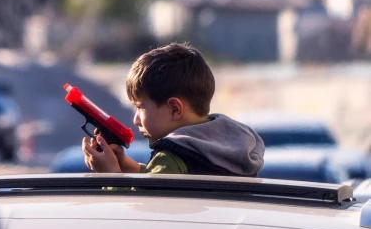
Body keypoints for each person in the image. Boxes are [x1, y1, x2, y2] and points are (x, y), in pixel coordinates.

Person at [82, 42, 264, 175]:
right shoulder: (233, 144)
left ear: (175, 109)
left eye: (140, 108)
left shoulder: (172, 158)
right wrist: (124, 164)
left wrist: (110, 173)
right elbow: (161, 178)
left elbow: (144, 209)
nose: (136, 119)